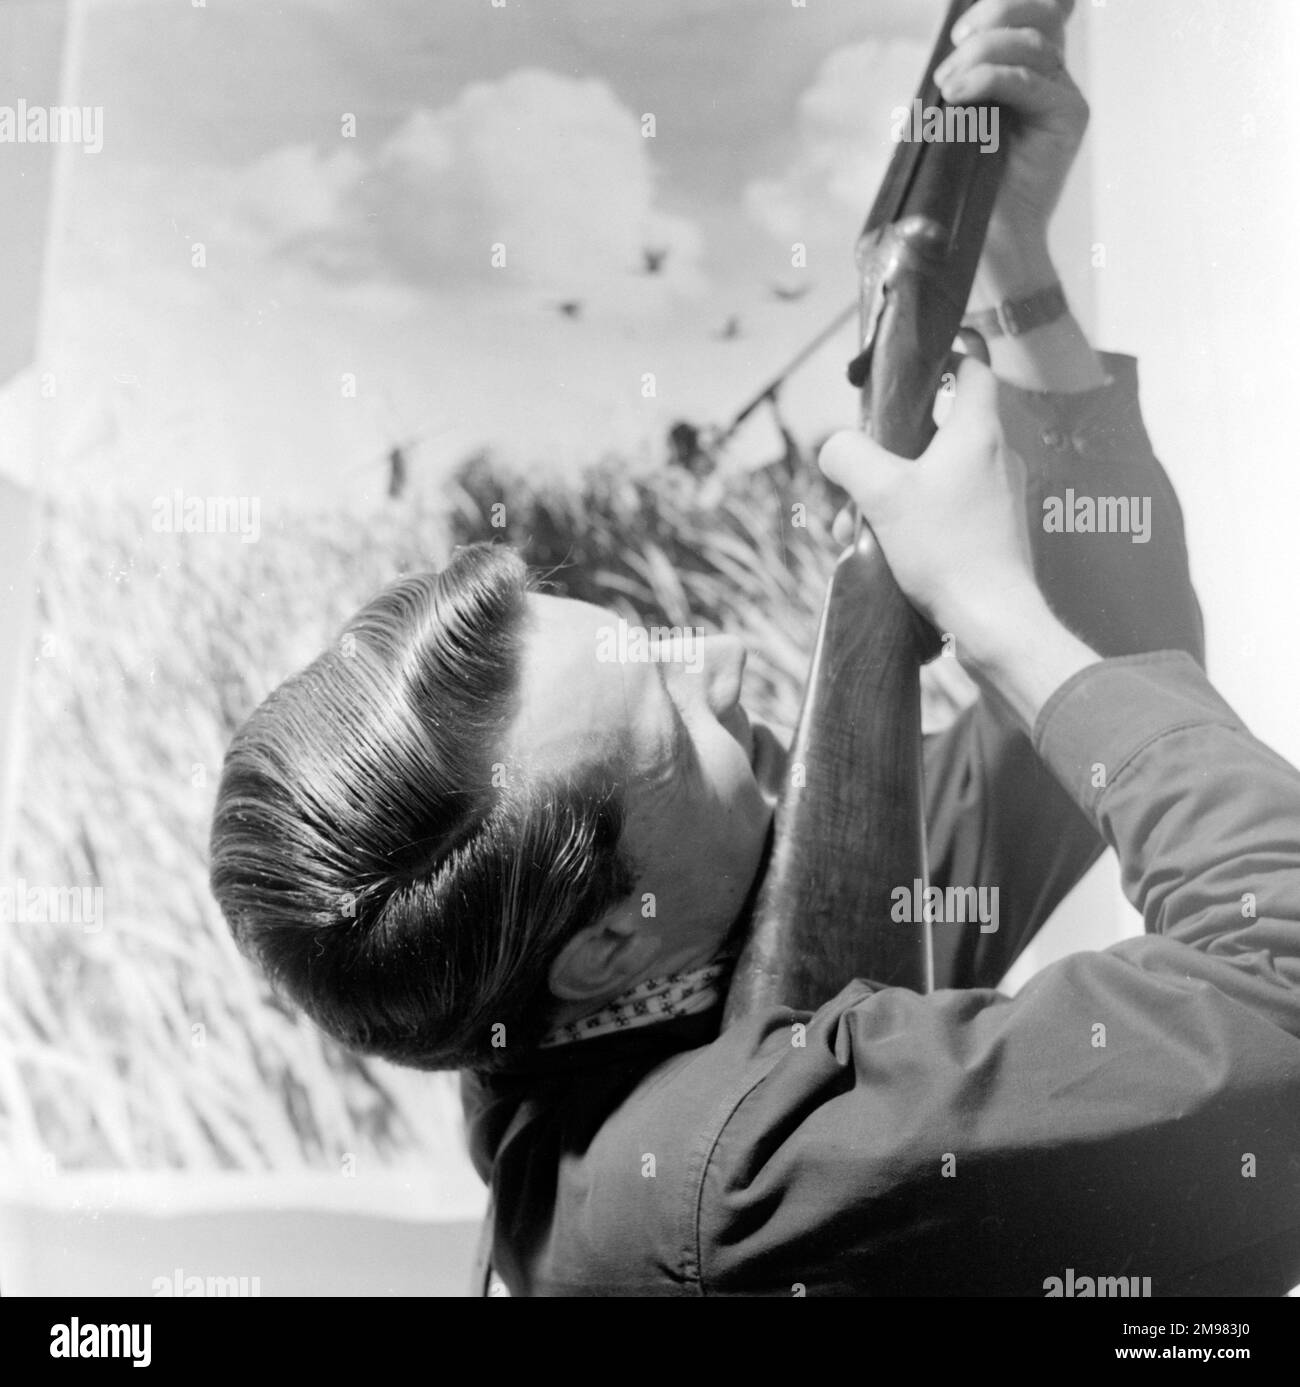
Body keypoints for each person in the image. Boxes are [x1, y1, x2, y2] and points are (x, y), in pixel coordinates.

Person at [208, 1, 1300, 1295]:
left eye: (651, 649)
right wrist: (990, 609)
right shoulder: (723, 1190)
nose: (721, 656)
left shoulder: (627, 989)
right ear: (605, 946)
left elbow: (1118, 681)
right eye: (675, 721)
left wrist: (1021, 280)